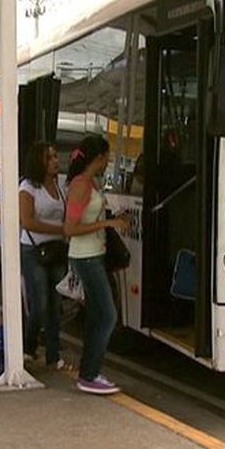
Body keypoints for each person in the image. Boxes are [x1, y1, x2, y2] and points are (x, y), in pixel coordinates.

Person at [64, 135, 130, 395]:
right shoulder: (81, 185)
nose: (108, 162)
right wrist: (108, 224)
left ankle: (88, 371)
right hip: (85, 256)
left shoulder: (89, 183)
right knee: (108, 315)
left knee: (96, 315)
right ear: (99, 157)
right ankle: (89, 373)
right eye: (107, 156)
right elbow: (70, 228)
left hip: (94, 254)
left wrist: (110, 218)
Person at [18, 141, 70, 368]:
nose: (55, 161)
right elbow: (27, 221)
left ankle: (53, 354)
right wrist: (60, 229)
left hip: (57, 250)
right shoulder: (28, 188)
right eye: (50, 158)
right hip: (33, 250)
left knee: (55, 303)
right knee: (39, 303)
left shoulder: (60, 188)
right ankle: (28, 347)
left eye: (56, 156)